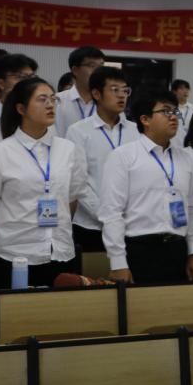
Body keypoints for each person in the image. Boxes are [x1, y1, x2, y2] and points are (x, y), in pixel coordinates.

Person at [0, 77, 86, 287]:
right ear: (21, 109)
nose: (50, 104)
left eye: (53, 99)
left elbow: (71, 199)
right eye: (42, 99)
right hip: (12, 255)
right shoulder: (0, 152)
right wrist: (2, 239)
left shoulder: (68, 149)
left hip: (59, 251)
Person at [100, 89, 193, 284]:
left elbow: (191, 209)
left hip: (177, 249)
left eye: (175, 111)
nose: (173, 117)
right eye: (166, 111)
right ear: (145, 119)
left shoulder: (185, 158)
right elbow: (111, 212)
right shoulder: (123, 156)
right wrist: (118, 262)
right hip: (140, 249)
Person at [72, 66, 131, 253]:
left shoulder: (136, 131)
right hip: (91, 226)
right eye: (114, 90)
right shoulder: (78, 131)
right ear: (97, 94)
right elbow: (78, 182)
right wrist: (107, 216)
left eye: (125, 90)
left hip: (130, 225)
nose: (121, 95)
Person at [54, 46, 106, 138]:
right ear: (75, 70)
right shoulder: (57, 101)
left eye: (101, 66)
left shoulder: (108, 103)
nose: (98, 71)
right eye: (92, 66)